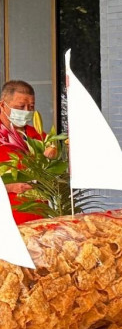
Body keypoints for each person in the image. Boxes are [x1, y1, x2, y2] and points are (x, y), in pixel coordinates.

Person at [0, 81, 48, 225]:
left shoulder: (38, 136)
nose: (26, 111)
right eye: (20, 107)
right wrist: (9, 187)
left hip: (38, 219)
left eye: (31, 107)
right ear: (2, 105)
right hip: (6, 221)